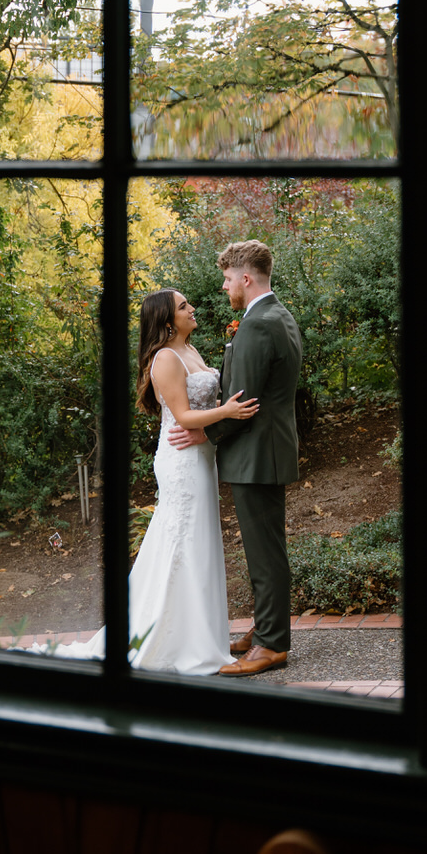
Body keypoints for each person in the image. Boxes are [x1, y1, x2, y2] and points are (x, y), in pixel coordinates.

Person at [32, 288, 257, 673]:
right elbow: (184, 417)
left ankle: (200, 635)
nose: (192, 308)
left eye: (189, 302)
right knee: (183, 543)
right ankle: (177, 641)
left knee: (197, 543)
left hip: (203, 459)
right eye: (184, 306)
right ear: (166, 321)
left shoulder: (190, 350)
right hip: (182, 462)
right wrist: (228, 412)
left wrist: (221, 416)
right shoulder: (166, 359)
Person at [169, 240, 302, 676]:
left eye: (228, 279)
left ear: (246, 279)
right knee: (267, 548)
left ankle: (271, 645)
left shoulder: (258, 325)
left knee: (265, 553)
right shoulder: (276, 315)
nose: (225, 287)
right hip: (267, 449)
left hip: (256, 453)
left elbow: (243, 404)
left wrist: (203, 432)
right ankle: (265, 630)